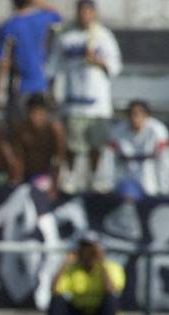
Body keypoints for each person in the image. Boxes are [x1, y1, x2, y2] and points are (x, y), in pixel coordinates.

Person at [48, 0, 121, 180]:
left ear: (94, 13)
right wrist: (51, 91)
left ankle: (95, 178)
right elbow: (53, 65)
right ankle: (70, 178)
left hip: (97, 103)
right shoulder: (66, 36)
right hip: (73, 99)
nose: (85, 15)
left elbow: (115, 66)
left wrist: (97, 61)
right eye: (82, 11)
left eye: (89, 12)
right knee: (72, 145)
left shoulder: (104, 36)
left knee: (96, 145)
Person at [49, 232, 125, 315]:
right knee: (57, 301)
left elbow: (110, 290)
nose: (87, 253)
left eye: (91, 249)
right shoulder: (72, 269)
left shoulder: (112, 268)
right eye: (84, 249)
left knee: (111, 301)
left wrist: (102, 264)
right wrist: (65, 264)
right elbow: (54, 290)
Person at [0, 0, 61, 125]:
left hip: (19, 87)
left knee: (19, 132)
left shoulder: (8, 26)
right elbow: (56, 14)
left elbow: (3, 61)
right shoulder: (42, 19)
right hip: (42, 84)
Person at [106, 100, 169, 200]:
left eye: (138, 114)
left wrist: (164, 189)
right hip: (126, 178)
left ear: (146, 115)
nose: (134, 118)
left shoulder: (158, 131)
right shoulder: (117, 132)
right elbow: (109, 161)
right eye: (131, 114)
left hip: (150, 179)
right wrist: (111, 185)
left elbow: (165, 162)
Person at [11, 94, 66, 197]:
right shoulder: (22, 129)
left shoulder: (55, 129)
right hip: (28, 175)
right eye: (32, 113)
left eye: (39, 113)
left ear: (45, 113)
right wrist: (17, 182)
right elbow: (19, 158)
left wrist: (54, 185)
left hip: (48, 176)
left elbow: (59, 158)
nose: (34, 118)